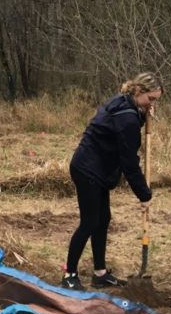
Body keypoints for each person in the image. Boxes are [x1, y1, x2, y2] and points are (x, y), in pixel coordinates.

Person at [61, 72, 164, 290]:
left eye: (155, 100)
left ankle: (100, 273)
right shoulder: (126, 117)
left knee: (103, 218)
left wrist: (144, 115)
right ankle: (69, 274)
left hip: (97, 168)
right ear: (138, 91)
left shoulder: (124, 102)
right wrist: (144, 195)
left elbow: (123, 127)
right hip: (87, 169)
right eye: (150, 99)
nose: (152, 104)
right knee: (89, 222)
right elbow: (129, 163)